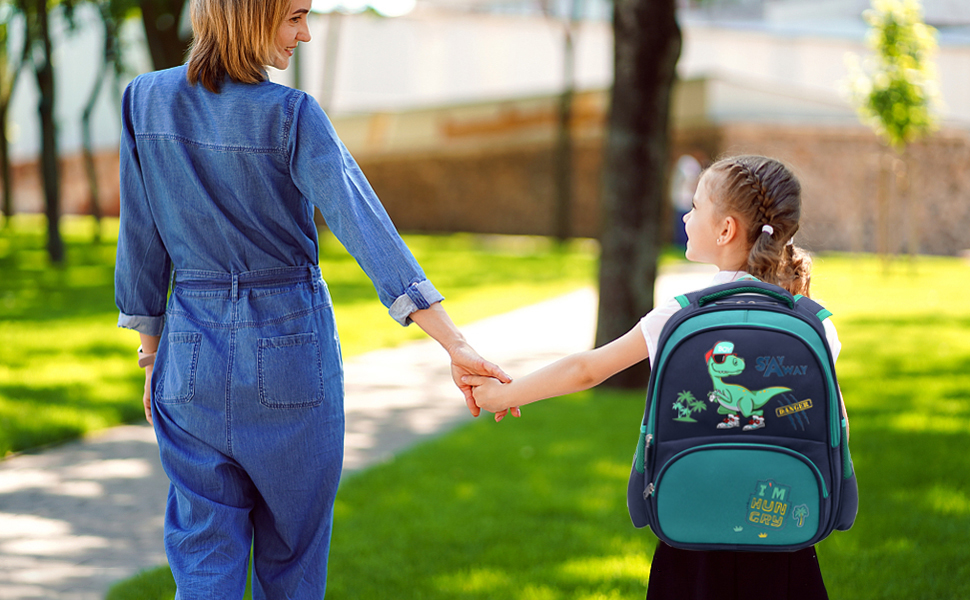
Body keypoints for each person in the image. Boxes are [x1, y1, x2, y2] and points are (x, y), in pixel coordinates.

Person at [114, 0, 512, 597]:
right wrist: (453, 343)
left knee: (202, 565)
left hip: (188, 358)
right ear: (249, 16)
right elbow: (366, 227)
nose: (304, 33)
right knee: (293, 566)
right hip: (289, 353)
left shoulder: (143, 99)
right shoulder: (291, 115)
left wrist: (152, 357)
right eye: (293, 17)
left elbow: (139, 237)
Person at [465, 155, 843, 599]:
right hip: (785, 529)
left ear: (725, 230)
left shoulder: (681, 316)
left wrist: (502, 395)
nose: (685, 215)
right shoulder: (814, 323)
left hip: (691, 520)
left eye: (696, 206)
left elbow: (586, 369)